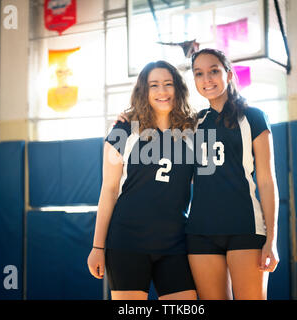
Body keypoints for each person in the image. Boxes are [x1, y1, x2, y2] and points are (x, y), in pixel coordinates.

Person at [87, 60, 197, 300]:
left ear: (178, 88)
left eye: (168, 84)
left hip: (176, 242)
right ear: (143, 91)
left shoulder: (194, 131)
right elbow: (109, 190)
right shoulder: (122, 130)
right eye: (154, 85)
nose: (162, 91)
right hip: (128, 241)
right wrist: (97, 247)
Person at [186, 48, 279, 300]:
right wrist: (127, 118)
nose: (207, 79)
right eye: (199, 73)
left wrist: (272, 239)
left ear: (228, 74)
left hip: (245, 227)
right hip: (201, 232)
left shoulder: (254, 117)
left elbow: (267, 182)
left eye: (214, 71)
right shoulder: (191, 125)